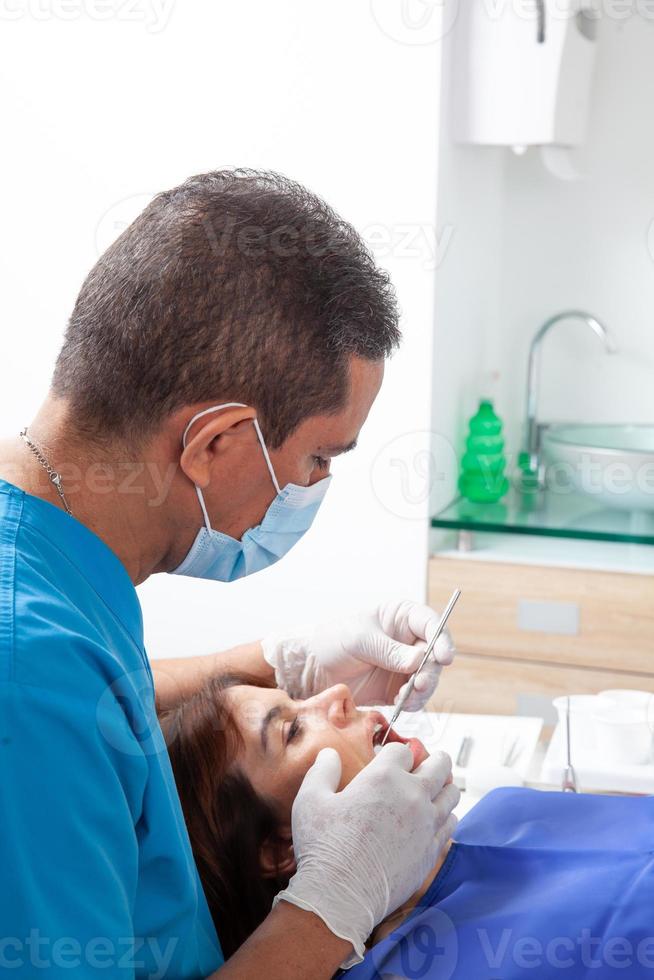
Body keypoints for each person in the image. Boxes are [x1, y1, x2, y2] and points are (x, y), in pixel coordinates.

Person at [0, 170, 459, 978]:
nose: (315, 487)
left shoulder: (45, 552)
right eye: (318, 457)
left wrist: (273, 662)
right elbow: (44, 702)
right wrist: (330, 911)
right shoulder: (25, 669)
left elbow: (96, 698)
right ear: (215, 443)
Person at [162, 675, 654, 980]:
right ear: (279, 849)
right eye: (293, 729)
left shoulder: (504, 809)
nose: (336, 694)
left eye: (298, 698)